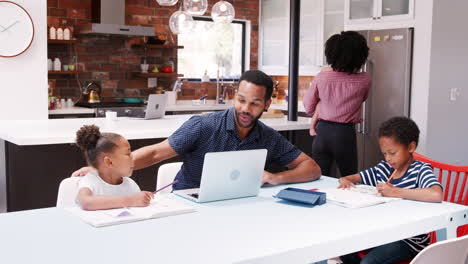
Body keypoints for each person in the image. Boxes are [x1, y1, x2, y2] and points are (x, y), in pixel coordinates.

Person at [73, 70, 322, 190]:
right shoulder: (204, 126)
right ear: (236, 96)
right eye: (242, 100)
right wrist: (106, 166)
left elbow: (312, 168)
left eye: (255, 103)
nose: (246, 108)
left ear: (267, 104)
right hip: (189, 201)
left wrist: (275, 178)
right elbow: (156, 154)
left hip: (238, 207)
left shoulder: (266, 136)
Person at [338, 117, 443, 264]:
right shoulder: (385, 168)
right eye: (385, 153)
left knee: (369, 262)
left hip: (409, 240)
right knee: (342, 247)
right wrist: (345, 180)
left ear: (411, 147)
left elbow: (436, 194)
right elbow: (356, 177)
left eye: (392, 153)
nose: (388, 158)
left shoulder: (420, 170)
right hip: (385, 232)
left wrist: (396, 191)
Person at [303, 31, 371, 177]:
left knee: (319, 178)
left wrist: (322, 104)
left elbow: (308, 107)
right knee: (349, 179)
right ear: (361, 56)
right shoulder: (365, 79)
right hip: (345, 134)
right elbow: (363, 98)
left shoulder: (322, 77)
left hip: (322, 133)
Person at [75, 125, 153, 210]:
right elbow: (86, 202)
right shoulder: (90, 181)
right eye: (128, 154)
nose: (133, 157)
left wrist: (142, 200)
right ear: (109, 162)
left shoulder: (131, 184)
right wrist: (130, 200)